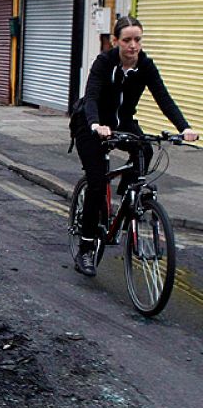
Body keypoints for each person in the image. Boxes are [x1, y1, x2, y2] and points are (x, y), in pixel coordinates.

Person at [70, 15, 198, 277]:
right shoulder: (104, 62)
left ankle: (129, 199)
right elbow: (92, 95)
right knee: (96, 182)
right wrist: (95, 124)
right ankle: (85, 248)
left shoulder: (145, 65)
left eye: (137, 39)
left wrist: (183, 128)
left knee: (145, 149)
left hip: (123, 122)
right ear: (116, 41)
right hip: (90, 123)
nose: (133, 45)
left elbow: (163, 97)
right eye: (127, 40)